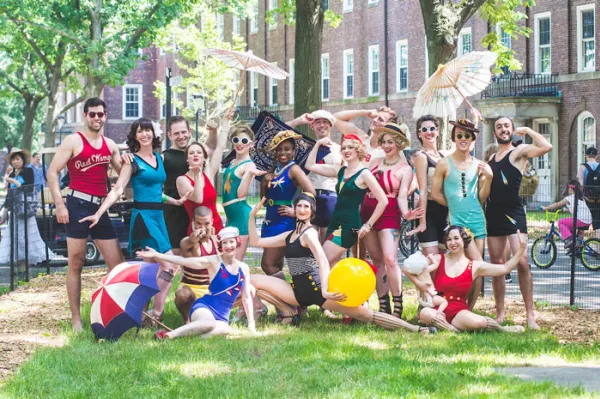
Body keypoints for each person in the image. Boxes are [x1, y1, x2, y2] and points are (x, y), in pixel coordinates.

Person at [248, 193, 432, 333]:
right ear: (294, 209)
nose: (302, 209)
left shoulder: (309, 233)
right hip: (297, 292)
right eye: (299, 206)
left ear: (312, 211)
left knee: (366, 315)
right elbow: (256, 242)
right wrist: (251, 216)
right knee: (251, 280)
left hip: (318, 291)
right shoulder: (290, 235)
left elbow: (322, 260)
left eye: (306, 206)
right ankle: (287, 312)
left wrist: (326, 290)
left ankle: (415, 329)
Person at [79, 118, 189, 323]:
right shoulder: (131, 161)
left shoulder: (158, 157)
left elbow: (156, 191)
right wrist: (99, 212)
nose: (145, 134)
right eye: (140, 131)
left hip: (159, 217)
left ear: (153, 134)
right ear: (135, 136)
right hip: (144, 218)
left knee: (150, 271)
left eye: (148, 130)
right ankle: (156, 314)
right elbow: (118, 189)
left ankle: (141, 313)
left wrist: (175, 201)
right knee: (169, 266)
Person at [47, 97, 125, 332]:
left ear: (105, 116)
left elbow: (125, 173)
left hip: (100, 209)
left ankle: (108, 308)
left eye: (100, 114)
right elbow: (52, 172)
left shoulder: (110, 145)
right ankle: (76, 319)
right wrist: (60, 205)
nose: (97, 118)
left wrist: (129, 162)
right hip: (77, 204)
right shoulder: (73, 141)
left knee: (117, 264)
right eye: (92, 114)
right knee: (76, 262)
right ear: (85, 115)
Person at [486, 117, 552, 330]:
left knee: (522, 261)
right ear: (494, 132)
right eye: (499, 126)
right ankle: (500, 313)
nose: (503, 129)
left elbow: (546, 146)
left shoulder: (519, 151)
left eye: (507, 126)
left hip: (514, 213)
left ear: (512, 129)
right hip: (493, 213)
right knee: (497, 264)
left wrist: (528, 130)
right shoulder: (490, 159)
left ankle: (530, 315)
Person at [138, 227, 258, 340]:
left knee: (225, 329)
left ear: (237, 242)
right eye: (225, 243)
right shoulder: (214, 261)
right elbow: (184, 261)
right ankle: (169, 335)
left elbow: (246, 297)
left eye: (231, 242)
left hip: (222, 316)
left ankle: (187, 337)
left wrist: (251, 324)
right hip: (204, 308)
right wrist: (157, 255)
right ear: (221, 245)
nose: (228, 246)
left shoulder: (244, 268)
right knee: (209, 324)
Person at [359, 122, 423, 318]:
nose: (386, 146)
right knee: (377, 261)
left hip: (389, 212)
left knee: (390, 259)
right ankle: (383, 306)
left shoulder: (405, 169)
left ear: (399, 144)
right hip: (368, 210)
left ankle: (398, 306)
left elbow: (402, 195)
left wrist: (406, 213)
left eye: (391, 142)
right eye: (384, 142)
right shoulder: (375, 163)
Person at [431, 114, 493, 309]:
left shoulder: (479, 165)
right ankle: (452, 306)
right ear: (454, 138)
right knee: (460, 266)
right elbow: (435, 193)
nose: (463, 139)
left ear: (473, 139)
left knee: (477, 267)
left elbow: (481, 198)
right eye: (459, 136)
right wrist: (453, 205)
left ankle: (469, 309)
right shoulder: (444, 163)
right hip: (457, 224)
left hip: (477, 220)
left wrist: (489, 179)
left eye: (467, 136)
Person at [416, 226, 526, 333]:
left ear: (464, 240)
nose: (452, 243)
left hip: (459, 312)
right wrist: (420, 285)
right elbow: (412, 268)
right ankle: (452, 330)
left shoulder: (474, 266)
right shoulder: (437, 259)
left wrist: (520, 250)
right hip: (436, 308)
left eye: (456, 238)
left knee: (481, 322)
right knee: (425, 313)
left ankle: (503, 329)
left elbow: (505, 268)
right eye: (449, 239)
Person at [306, 134, 388, 267]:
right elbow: (309, 165)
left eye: (350, 147)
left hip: (348, 225)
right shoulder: (340, 171)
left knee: (321, 262)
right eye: (343, 148)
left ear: (358, 149)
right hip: (334, 222)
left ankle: (321, 288)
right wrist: (317, 144)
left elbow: (383, 200)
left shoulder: (364, 173)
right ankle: (331, 289)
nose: (346, 150)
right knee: (330, 266)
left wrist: (368, 225)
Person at [259, 130, 315, 278]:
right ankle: (281, 299)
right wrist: (263, 183)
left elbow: (311, 193)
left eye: (287, 149)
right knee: (276, 264)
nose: (282, 153)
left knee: (267, 264)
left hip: (284, 222)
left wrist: (296, 211)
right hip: (269, 221)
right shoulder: (274, 170)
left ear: (293, 152)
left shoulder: (294, 169)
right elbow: (264, 202)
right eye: (278, 149)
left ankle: (286, 296)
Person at [162, 116, 218, 255]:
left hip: (197, 212)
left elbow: (210, 147)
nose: (181, 136)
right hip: (175, 212)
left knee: (201, 253)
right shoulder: (164, 157)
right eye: (176, 133)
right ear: (169, 135)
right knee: (177, 251)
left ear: (189, 131)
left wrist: (213, 131)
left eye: (183, 132)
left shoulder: (195, 152)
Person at [287, 110, 342, 243]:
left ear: (331, 125)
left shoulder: (340, 149)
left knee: (327, 240)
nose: (321, 125)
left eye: (325, 122)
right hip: (308, 197)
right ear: (312, 126)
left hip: (330, 197)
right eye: (318, 122)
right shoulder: (304, 147)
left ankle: (325, 264)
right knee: (306, 239)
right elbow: (280, 133)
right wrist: (298, 121)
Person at [177, 110, 231, 236]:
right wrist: (196, 175)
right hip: (197, 231)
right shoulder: (182, 180)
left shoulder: (208, 173)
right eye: (191, 153)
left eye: (199, 152)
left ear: (204, 158)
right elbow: (198, 198)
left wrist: (225, 121)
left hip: (215, 226)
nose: (195, 154)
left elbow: (220, 147)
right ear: (187, 159)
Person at [0, 148, 56, 266]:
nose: (15, 162)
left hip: (26, 209)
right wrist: (4, 213)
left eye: (17, 159)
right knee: (16, 238)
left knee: (27, 237)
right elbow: (9, 195)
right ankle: (21, 266)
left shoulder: (28, 171)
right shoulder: (11, 174)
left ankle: (27, 266)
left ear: (22, 160)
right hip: (15, 211)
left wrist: (13, 182)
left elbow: (28, 188)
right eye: (13, 160)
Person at [222, 125, 264, 260]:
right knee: (226, 261)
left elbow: (241, 194)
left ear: (251, 144)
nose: (239, 144)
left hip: (241, 216)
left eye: (244, 141)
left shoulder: (249, 165)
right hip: (231, 217)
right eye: (236, 140)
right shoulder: (233, 162)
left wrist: (250, 173)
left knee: (234, 262)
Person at [411, 115, 449, 256]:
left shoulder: (443, 156)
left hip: (444, 212)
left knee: (443, 259)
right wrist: (422, 221)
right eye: (424, 129)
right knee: (433, 260)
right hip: (428, 212)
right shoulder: (422, 156)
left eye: (432, 128)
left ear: (438, 131)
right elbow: (422, 190)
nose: (429, 132)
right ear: (419, 134)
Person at [541, 180, 592, 253]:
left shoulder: (569, 198)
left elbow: (557, 205)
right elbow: (578, 209)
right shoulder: (580, 198)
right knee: (569, 226)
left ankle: (569, 240)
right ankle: (576, 249)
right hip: (587, 220)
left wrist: (545, 208)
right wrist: (567, 210)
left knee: (561, 222)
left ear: (570, 189)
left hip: (581, 220)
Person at [578, 147, 600, 234]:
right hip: (598, 200)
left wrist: (581, 196)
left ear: (585, 155)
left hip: (587, 200)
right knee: (598, 225)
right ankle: (598, 247)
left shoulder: (582, 167)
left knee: (582, 224)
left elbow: (581, 183)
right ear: (596, 156)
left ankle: (579, 246)